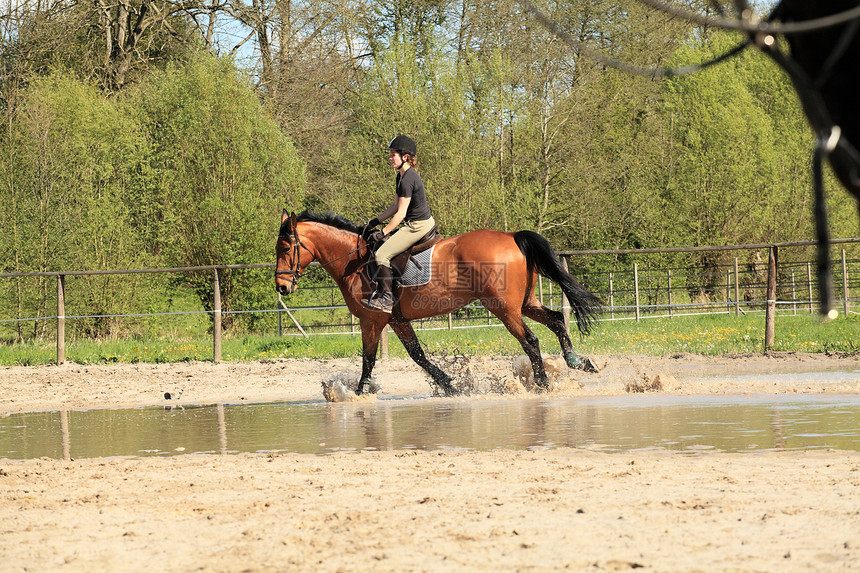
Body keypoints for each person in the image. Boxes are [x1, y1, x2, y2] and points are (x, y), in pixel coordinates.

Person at [364, 135, 436, 313]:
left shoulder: (408, 178)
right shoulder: (401, 177)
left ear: (405, 156)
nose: (389, 158)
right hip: (415, 223)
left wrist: (384, 231)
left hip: (417, 225)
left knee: (381, 254)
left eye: (393, 154)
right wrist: (375, 222)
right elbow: (395, 206)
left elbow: (401, 213)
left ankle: (387, 299)